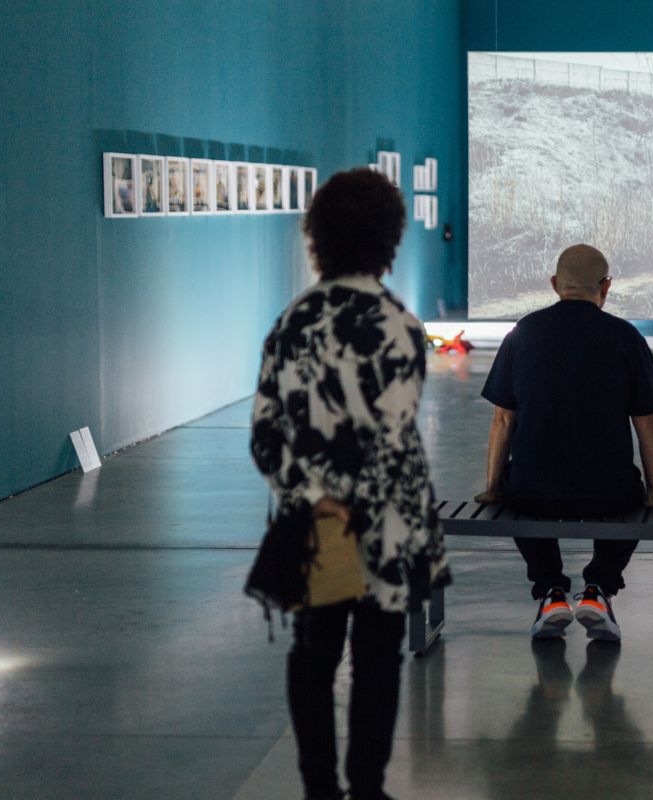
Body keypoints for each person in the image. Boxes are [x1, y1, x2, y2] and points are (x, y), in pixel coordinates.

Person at [250, 168, 450, 800]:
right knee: (378, 658)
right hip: (388, 526)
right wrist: (363, 504)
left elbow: (264, 435)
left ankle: (319, 790)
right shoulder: (399, 324)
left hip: (315, 529)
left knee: (312, 656)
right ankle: (367, 788)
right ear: (390, 237)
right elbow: (393, 438)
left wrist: (315, 499)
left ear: (319, 236)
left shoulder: (291, 322)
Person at [476, 244, 653, 642]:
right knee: (634, 493)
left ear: (554, 284)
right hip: (609, 495)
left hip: (534, 494)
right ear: (606, 287)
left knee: (517, 486)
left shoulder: (523, 332)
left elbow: (503, 419)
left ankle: (550, 590)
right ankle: (599, 588)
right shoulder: (626, 336)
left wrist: (494, 488)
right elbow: (647, 424)